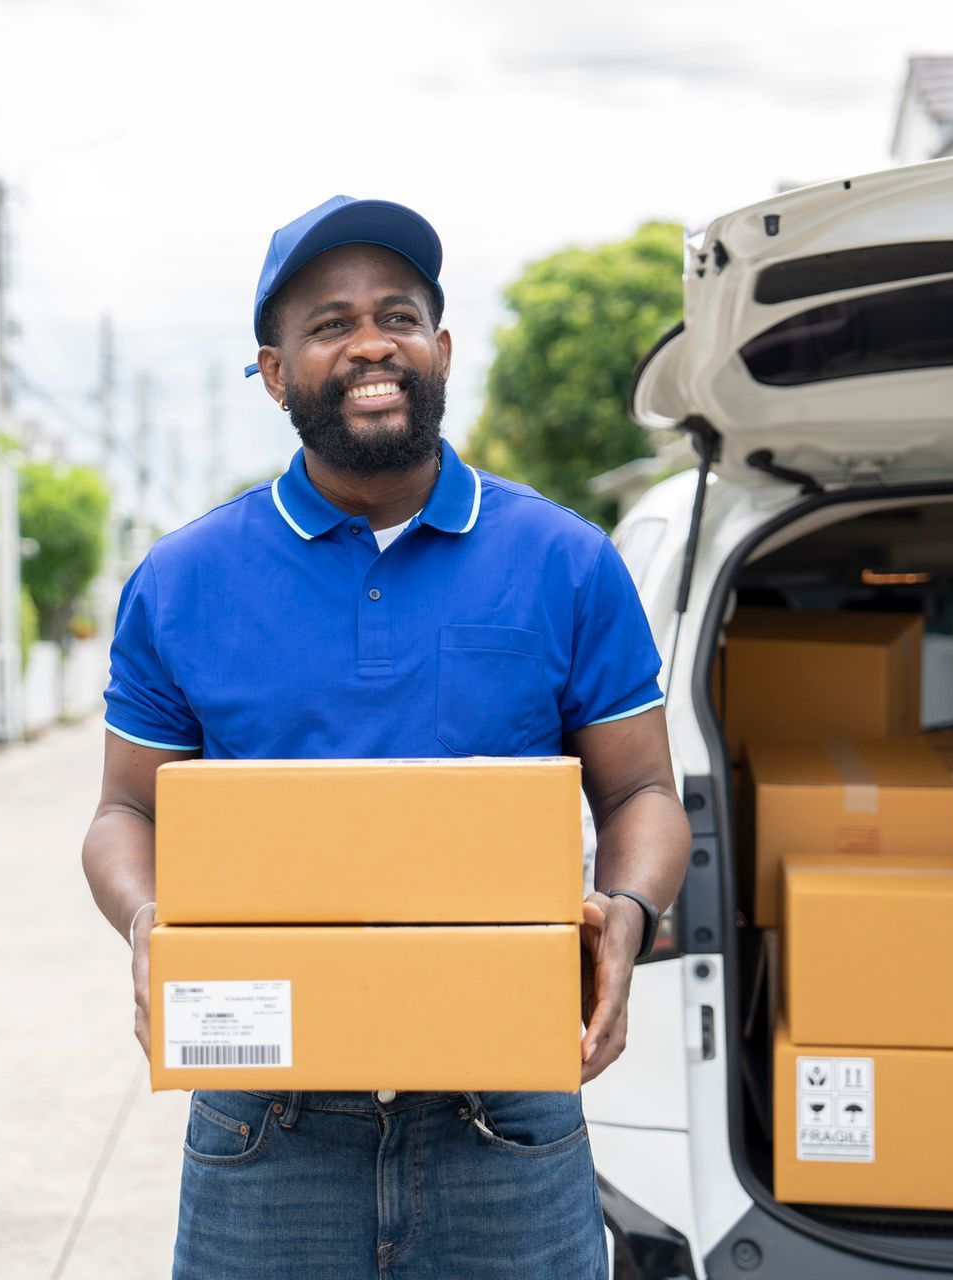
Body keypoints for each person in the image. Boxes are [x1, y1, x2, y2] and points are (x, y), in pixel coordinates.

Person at [81, 195, 691, 1278]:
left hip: (506, 1110)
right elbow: (127, 809)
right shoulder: (183, 580)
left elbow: (643, 790)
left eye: (398, 314)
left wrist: (628, 918)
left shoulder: (565, 559)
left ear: (441, 349)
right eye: (329, 322)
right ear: (274, 372)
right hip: (266, 1118)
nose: (371, 340)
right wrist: (147, 925)